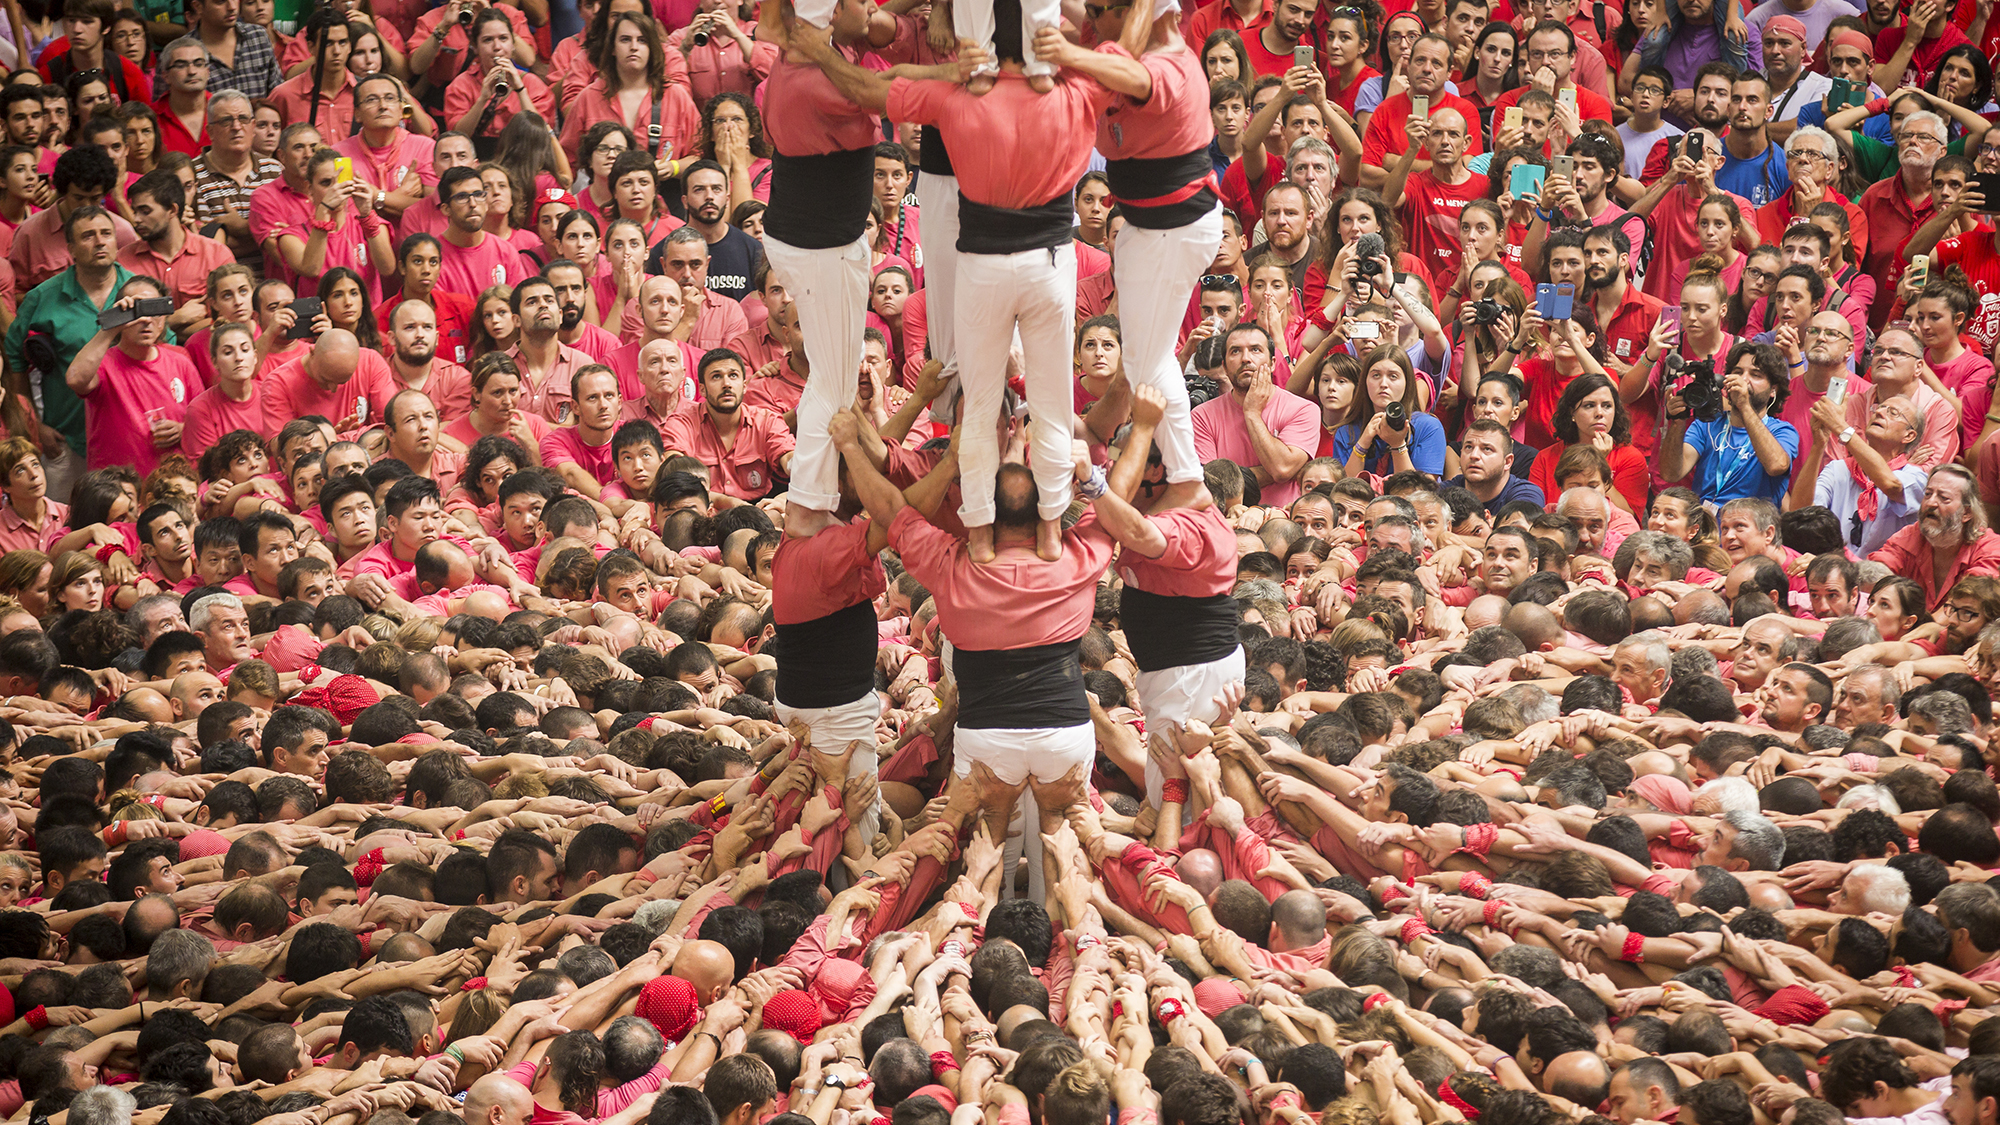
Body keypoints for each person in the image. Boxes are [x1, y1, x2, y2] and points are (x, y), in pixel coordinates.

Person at [1033, 0, 1216, 515]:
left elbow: (1132, 74)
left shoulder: (1172, 66)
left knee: (1146, 361)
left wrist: (1069, 50)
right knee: (1143, 359)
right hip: (1141, 227)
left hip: (1175, 230)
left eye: (1108, 11)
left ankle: (1187, 478)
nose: (1096, 22)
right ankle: (1180, 474)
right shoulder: (1110, 41)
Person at [4, 206, 135, 504]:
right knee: (61, 525)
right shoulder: (42, 298)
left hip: (129, 436)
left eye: (106, 234)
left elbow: (165, 355)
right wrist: (36, 426)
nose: (100, 242)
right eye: (88, 236)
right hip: (65, 439)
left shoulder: (140, 290)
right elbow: (14, 360)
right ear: (71, 248)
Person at [63, 274, 192, 478]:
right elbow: (75, 379)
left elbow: (204, 419)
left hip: (171, 486)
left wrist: (184, 429)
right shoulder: (103, 364)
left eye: (153, 310)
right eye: (135, 312)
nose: (146, 319)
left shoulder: (180, 361)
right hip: (117, 490)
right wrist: (112, 325)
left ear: (164, 318)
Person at [1658, 340, 1799, 504]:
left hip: (1751, 526)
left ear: (1773, 390)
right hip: (1704, 525)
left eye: (1755, 375)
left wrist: (1744, 405)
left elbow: (1776, 466)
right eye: (1738, 372)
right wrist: (1677, 424)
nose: (1744, 379)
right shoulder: (1707, 424)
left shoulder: (1783, 431)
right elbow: (1671, 473)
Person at [1193, 323, 1318, 507]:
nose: (1245, 359)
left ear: (1273, 363)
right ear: (1225, 367)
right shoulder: (1202, 416)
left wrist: (1252, 413)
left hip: (1282, 521)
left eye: (1255, 350)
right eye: (1235, 351)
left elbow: (1282, 469)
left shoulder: (1304, 409)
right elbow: (1214, 485)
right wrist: (1271, 472)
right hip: (1228, 520)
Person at [1793, 392, 1927, 556]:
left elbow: (1890, 485)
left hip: (1883, 577)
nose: (1879, 412)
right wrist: (1818, 445)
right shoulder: (1838, 469)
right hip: (1834, 572)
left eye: (1892, 413)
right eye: (1879, 408)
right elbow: (1799, 513)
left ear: (1909, 435)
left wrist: (1840, 427)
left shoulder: (1916, 477)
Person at [1869, 465, 2000, 611]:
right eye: (1928, 494)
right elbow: (1878, 570)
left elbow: (1968, 601)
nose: (1930, 503)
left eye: (1944, 498)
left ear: (1966, 513)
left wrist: (1928, 626)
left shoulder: (1991, 548)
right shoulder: (1909, 536)